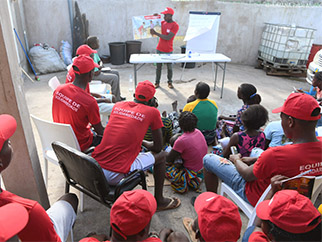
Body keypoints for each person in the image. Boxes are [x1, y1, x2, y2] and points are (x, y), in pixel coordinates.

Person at [203, 92, 322, 206]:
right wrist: (256, 159)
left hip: (257, 196)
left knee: (208, 159)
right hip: (295, 199)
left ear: (290, 122)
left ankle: (210, 206)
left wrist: (236, 159)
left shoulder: (276, 154)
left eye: (282, 119)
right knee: (257, 151)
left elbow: (246, 175)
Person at [92, 80, 180, 211]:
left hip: (96, 169)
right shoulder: (153, 112)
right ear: (152, 101)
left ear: (134, 95)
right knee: (161, 156)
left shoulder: (118, 105)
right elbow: (157, 147)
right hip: (116, 173)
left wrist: (141, 142)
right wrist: (144, 141)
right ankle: (159, 200)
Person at [0, 114, 78, 242]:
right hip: (41, 231)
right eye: (7, 143)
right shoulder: (29, 211)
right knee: (70, 198)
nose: (10, 141)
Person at [53, 55, 104, 151]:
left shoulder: (59, 89)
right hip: (81, 144)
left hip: (62, 141)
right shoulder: (89, 102)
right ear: (90, 75)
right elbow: (100, 132)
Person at [66, 44, 115, 125]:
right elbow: (85, 101)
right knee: (115, 108)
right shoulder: (79, 76)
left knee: (112, 98)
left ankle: (109, 122)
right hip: (83, 105)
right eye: (91, 56)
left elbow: (83, 94)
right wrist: (102, 99)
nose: (93, 57)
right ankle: (111, 125)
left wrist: (97, 95)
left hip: (83, 99)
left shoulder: (77, 71)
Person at [249, 189, 321, 242]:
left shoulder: (257, 239)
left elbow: (258, 224)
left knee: (250, 231)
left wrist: (271, 192)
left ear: (271, 236)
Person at [165, 111, 207, 193]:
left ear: (180, 125)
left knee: (160, 164)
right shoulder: (198, 132)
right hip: (202, 169)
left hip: (192, 174)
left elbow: (169, 158)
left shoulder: (181, 141)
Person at [86, 36, 125, 101]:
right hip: (94, 74)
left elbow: (99, 61)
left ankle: (117, 96)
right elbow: (92, 70)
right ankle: (115, 100)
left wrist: (100, 66)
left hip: (99, 70)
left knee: (116, 72)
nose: (99, 44)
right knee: (114, 78)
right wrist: (98, 69)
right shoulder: (89, 53)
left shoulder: (94, 51)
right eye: (97, 42)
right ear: (93, 44)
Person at [150, 7, 179, 89]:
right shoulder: (162, 23)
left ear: (170, 15)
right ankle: (157, 82)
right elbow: (152, 24)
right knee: (158, 67)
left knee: (169, 68)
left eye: (165, 15)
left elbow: (168, 37)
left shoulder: (175, 26)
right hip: (159, 49)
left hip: (168, 50)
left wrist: (156, 33)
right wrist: (154, 18)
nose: (164, 17)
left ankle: (170, 82)